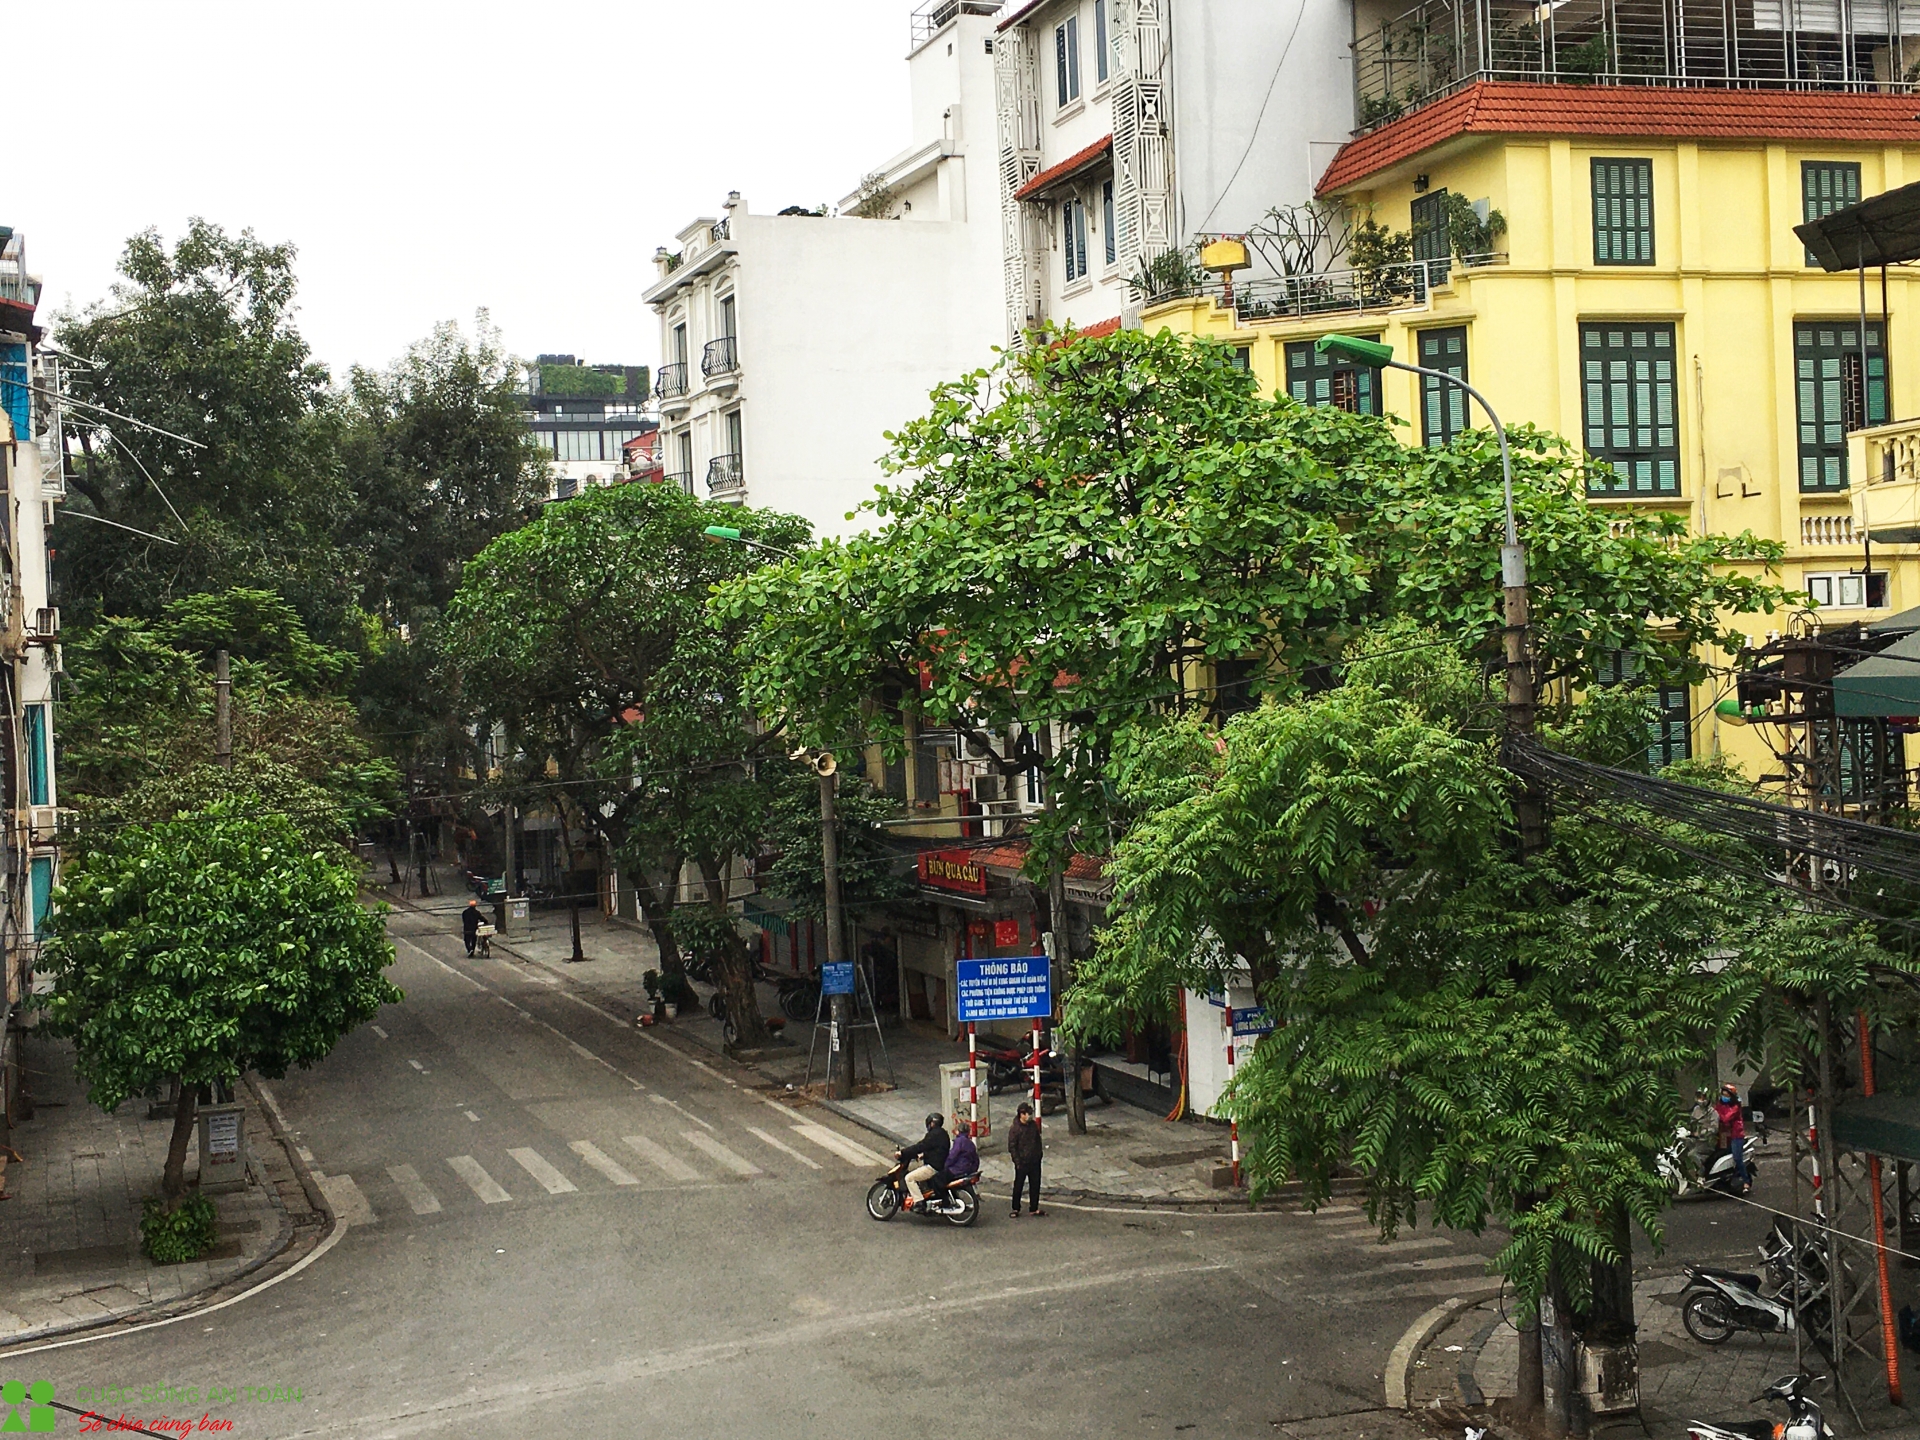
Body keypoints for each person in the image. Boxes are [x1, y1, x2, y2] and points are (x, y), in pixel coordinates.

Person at [897, 1113, 950, 1208]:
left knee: (909, 1178)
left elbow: (921, 1146)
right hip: (940, 1164)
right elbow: (936, 1149)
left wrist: (903, 1153)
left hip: (933, 1166)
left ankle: (919, 1201)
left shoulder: (933, 1135)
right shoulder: (943, 1134)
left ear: (932, 1124)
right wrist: (924, 1155)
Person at [1008, 1100, 1044, 1218]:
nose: (1029, 1116)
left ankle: (1034, 1207)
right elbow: (1012, 1147)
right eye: (1027, 1113)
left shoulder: (1033, 1125)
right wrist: (1017, 1162)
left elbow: (1038, 1141)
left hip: (1034, 1161)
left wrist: (1039, 1155)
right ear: (1021, 1114)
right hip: (1022, 1162)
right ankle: (1015, 1207)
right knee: (1018, 1185)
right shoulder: (1015, 1129)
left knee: (1035, 1184)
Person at [1714, 1082, 1751, 1193]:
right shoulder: (1720, 1105)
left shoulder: (1735, 1107)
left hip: (1736, 1136)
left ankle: (1746, 1181)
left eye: (1727, 1095)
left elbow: (1725, 1118)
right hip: (1724, 1135)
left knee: (1737, 1158)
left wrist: (1717, 1114)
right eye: (1723, 1095)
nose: (1724, 1097)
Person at [944, 1119, 980, 1202]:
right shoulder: (971, 1143)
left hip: (956, 1170)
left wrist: (944, 1165)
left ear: (958, 1131)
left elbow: (952, 1156)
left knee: (938, 1180)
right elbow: (976, 1159)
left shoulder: (959, 1142)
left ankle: (945, 1201)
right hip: (967, 1170)